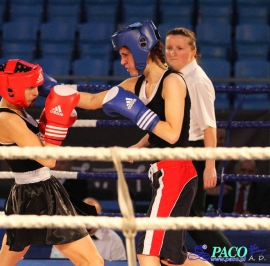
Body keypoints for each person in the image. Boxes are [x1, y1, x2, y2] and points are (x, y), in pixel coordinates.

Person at [40, 20, 210, 266]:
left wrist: (137, 112)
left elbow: (173, 133)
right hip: (165, 172)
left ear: (141, 48)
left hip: (177, 171)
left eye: (125, 55)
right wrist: (52, 90)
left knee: (147, 253)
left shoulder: (173, 81)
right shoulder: (137, 84)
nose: (122, 62)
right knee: (172, 259)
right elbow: (93, 100)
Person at [0, 59, 103, 266]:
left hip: (38, 190)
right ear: (11, 88)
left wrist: (52, 118)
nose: (36, 92)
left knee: (3, 262)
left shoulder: (17, 110)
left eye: (36, 86)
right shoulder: (8, 119)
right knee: (93, 262)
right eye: (30, 87)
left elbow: (38, 145)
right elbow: (48, 159)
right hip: (36, 193)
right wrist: (57, 124)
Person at [165, 27, 244, 266]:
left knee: (191, 218)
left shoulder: (197, 80)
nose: (173, 53)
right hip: (179, 151)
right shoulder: (176, 77)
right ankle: (172, 259)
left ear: (193, 51)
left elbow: (210, 127)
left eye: (180, 48)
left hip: (193, 153)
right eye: (169, 47)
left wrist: (210, 166)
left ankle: (234, 264)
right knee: (178, 215)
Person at [50, 197, 127, 261]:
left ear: (101, 217)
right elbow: (56, 263)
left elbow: (120, 264)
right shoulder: (63, 237)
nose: (88, 220)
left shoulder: (113, 239)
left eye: (93, 215)